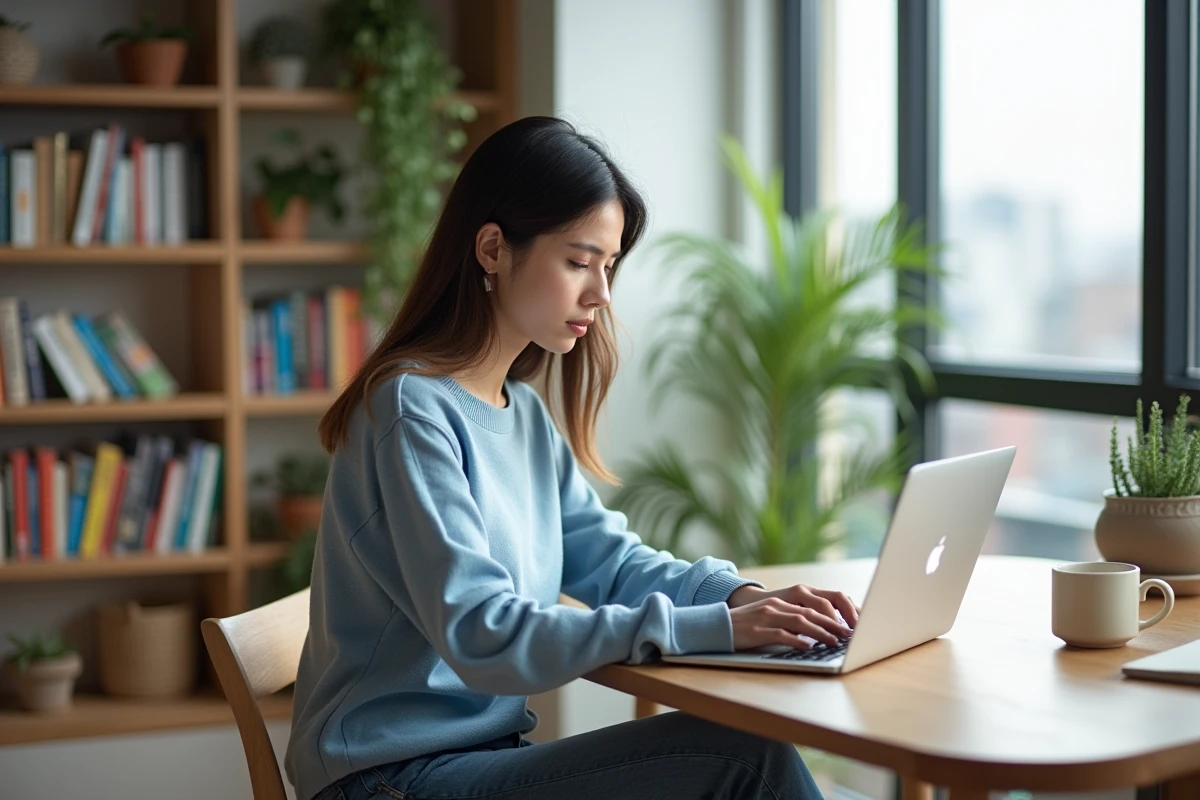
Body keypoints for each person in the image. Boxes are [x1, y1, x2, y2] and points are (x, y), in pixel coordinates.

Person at [285, 116, 859, 800]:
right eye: (579, 262)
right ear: (493, 249)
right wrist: (717, 629)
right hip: (387, 775)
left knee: (746, 757)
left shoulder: (521, 414)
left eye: (607, 267)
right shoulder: (410, 412)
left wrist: (740, 600)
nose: (601, 294)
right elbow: (483, 633)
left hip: (476, 758)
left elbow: (611, 564)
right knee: (746, 761)